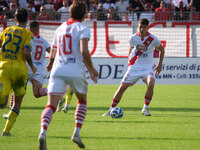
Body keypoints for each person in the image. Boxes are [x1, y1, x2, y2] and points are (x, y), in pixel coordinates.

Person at [38, 1, 98, 149]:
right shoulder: (83, 28)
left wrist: (51, 64)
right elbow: (84, 51)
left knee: (50, 105)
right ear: (84, 13)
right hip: (75, 68)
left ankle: (43, 133)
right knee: (82, 100)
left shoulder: (60, 28)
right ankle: (76, 133)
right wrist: (91, 69)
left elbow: (53, 52)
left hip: (58, 68)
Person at [102, 18, 165, 117]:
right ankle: (111, 109)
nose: (142, 29)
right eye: (140, 27)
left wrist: (159, 64)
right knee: (122, 87)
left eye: (144, 27)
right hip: (134, 67)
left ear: (147, 27)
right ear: (138, 26)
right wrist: (129, 62)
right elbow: (131, 49)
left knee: (151, 83)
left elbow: (162, 49)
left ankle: (145, 108)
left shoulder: (153, 39)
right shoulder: (132, 38)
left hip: (147, 67)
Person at [2, 20, 50, 120]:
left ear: (29, 28)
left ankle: (11, 111)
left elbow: (25, 52)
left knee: (16, 89)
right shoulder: (43, 40)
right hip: (39, 70)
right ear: (38, 29)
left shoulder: (27, 37)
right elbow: (52, 52)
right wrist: (51, 63)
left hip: (26, 67)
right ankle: (52, 90)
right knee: (37, 93)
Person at [0, 8, 37, 136]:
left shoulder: (5, 31)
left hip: (3, 68)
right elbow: (26, 52)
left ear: (15, 19)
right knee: (17, 102)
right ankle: (6, 131)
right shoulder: (27, 33)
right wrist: (32, 66)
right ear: (27, 19)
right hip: (19, 70)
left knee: (3, 104)